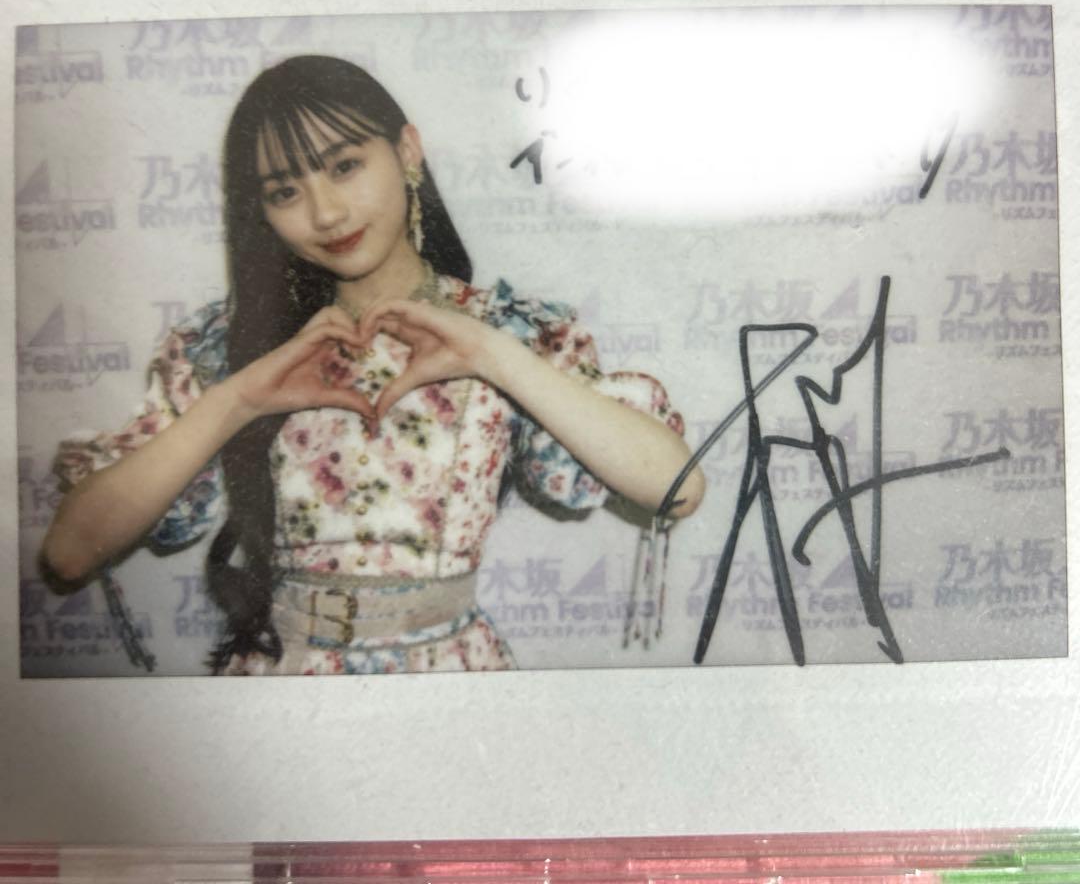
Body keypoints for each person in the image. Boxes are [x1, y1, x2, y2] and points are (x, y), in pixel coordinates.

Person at [42, 55, 705, 676]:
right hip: (281, 680)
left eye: (344, 166)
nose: (326, 213)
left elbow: (677, 488)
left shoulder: (513, 331)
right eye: (285, 191)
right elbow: (69, 554)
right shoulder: (229, 347)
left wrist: (490, 354)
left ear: (408, 151)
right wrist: (239, 400)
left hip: (449, 678)